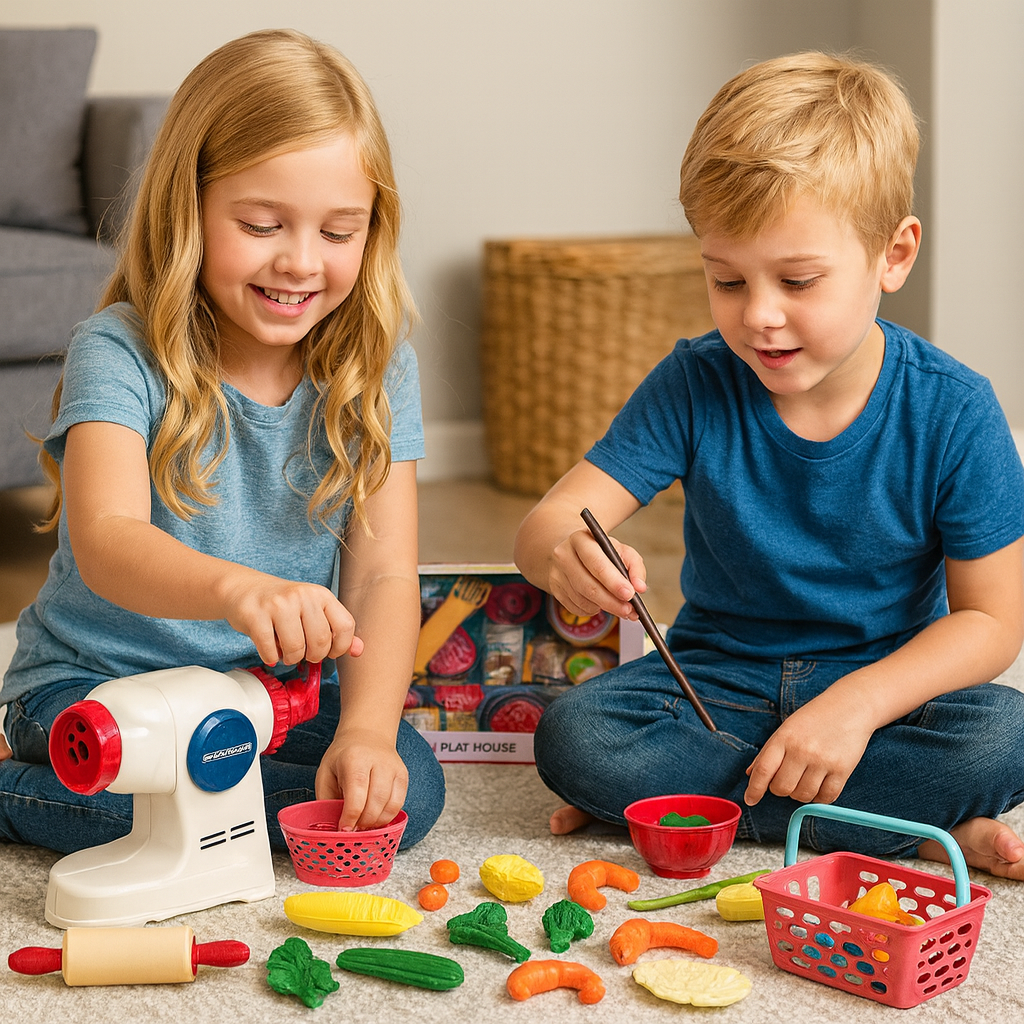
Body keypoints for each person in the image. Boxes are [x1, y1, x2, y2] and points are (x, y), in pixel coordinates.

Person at [514, 52, 1024, 878]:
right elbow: (547, 523)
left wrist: (856, 705)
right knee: (576, 737)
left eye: (798, 280)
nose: (758, 316)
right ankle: (893, 825)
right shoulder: (695, 380)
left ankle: (698, 809)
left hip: (885, 694)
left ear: (893, 256)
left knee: (1005, 733)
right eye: (726, 280)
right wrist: (562, 556)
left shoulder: (956, 410)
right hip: (718, 685)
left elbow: (993, 623)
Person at [0, 29, 444, 852]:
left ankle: (203, 793)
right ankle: (14, 787)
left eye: (338, 233)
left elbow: (383, 574)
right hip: (97, 691)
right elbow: (107, 539)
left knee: (402, 792)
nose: (300, 262)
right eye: (263, 224)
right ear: (189, 208)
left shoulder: (380, 367)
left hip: (264, 697)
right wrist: (240, 592)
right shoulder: (118, 348)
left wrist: (365, 733)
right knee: (176, 794)